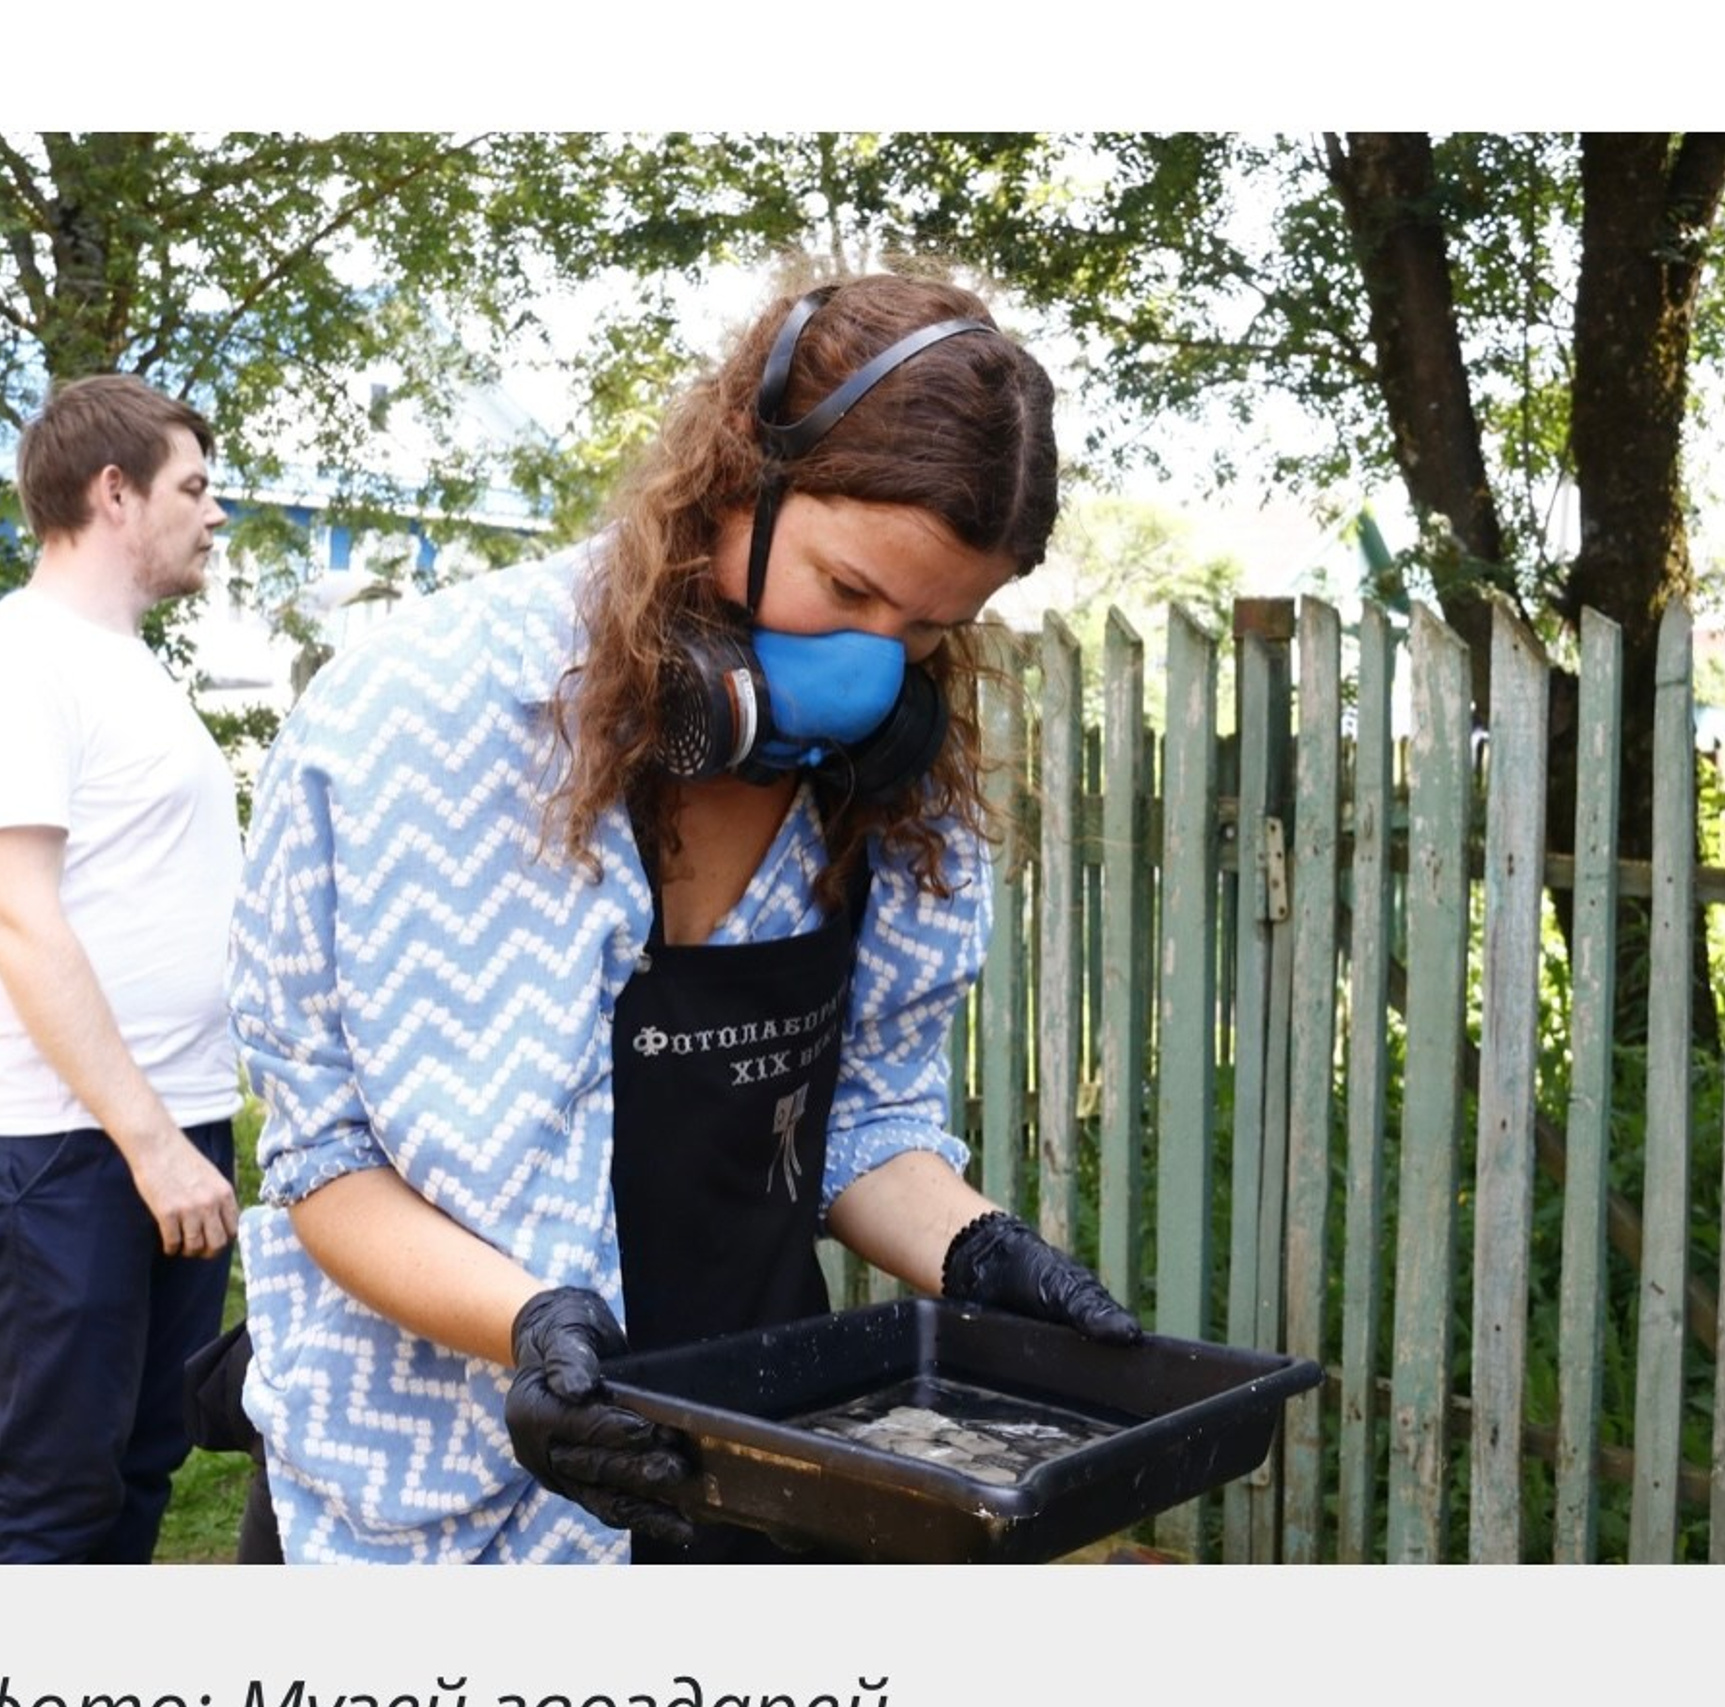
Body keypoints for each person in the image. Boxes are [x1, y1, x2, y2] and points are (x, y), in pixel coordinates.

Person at [229, 272, 1139, 1565]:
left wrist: (979, 1250)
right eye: (849, 591)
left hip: (748, 1468)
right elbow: (325, 1163)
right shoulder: (409, 724)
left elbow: (861, 1122)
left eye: (934, 628)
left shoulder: (900, 803)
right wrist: (531, 1327)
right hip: (424, 1511)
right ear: (737, 478)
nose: (881, 667)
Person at [0, 373, 240, 1563]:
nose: (214, 512)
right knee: (49, 1501)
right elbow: (18, 920)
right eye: (193, 487)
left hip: (174, 1132)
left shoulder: (132, 669)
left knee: (143, 1467)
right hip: (71, 1149)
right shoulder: (22, 657)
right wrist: (149, 1147)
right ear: (113, 491)